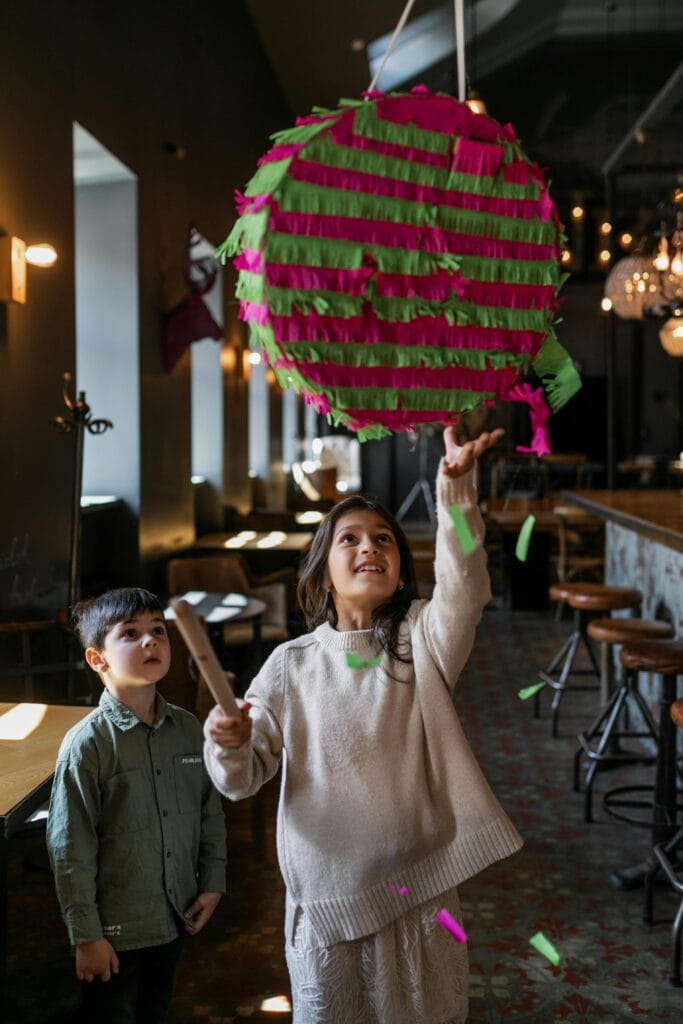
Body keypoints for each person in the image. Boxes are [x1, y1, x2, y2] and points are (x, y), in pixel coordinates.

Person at [204, 426, 523, 1024]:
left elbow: (467, 582)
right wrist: (228, 744)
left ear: (402, 574)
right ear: (324, 571)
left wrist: (455, 493)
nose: (368, 547)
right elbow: (241, 778)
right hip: (328, 903)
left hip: (426, 892)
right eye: (348, 539)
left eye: (383, 539)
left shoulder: (423, 639)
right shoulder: (290, 665)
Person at [46, 587, 226, 1024]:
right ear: (97, 659)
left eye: (158, 630)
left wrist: (213, 880)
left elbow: (210, 811)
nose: (151, 641)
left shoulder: (186, 728)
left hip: (173, 915)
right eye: (130, 633)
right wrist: (87, 936)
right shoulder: (86, 746)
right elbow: (70, 848)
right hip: (113, 932)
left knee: (155, 1010)